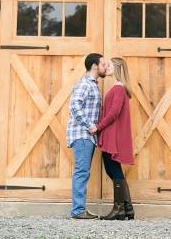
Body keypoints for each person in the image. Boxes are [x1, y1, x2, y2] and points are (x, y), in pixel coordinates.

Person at [66, 53, 111, 219]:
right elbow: (75, 107)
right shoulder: (85, 84)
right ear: (94, 66)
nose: (105, 67)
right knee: (81, 172)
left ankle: (79, 209)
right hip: (82, 135)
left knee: (83, 171)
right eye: (103, 64)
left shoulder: (92, 84)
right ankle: (78, 211)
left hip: (87, 137)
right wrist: (90, 126)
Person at [94, 57, 135, 220]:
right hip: (111, 132)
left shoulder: (118, 88)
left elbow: (114, 112)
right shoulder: (118, 87)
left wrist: (98, 127)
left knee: (113, 168)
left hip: (113, 133)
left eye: (109, 65)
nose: (106, 67)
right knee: (112, 169)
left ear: (117, 68)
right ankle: (126, 209)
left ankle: (120, 209)